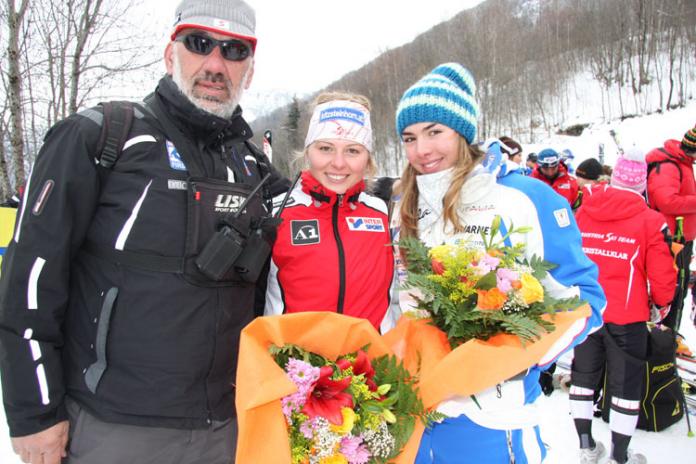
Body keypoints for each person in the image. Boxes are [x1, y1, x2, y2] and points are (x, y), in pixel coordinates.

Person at [0, 1, 289, 463]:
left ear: (249, 70)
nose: (216, 64)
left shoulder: (251, 166)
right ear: (170, 54)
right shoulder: (101, 137)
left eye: (234, 50)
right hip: (115, 429)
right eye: (199, 43)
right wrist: (33, 414)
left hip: (226, 428)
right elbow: (30, 280)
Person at [392, 62, 606, 463]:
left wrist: (515, 357)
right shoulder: (405, 204)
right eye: (409, 137)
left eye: (435, 132)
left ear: (463, 131)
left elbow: (587, 301)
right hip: (416, 413)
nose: (422, 149)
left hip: (493, 418)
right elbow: (398, 301)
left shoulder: (525, 197)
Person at [570, 149, 676, 464]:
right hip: (627, 315)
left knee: (583, 376)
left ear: (614, 178)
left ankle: (587, 447)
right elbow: (662, 274)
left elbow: (572, 257)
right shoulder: (651, 220)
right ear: (642, 185)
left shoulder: (584, 211)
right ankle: (619, 456)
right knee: (625, 384)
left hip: (587, 310)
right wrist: (662, 305)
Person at [264, 92, 398, 333]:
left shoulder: (384, 212)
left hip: (376, 355)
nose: (338, 163)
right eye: (326, 148)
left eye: (352, 151)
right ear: (308, 151)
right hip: (295, 356)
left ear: (368, 159)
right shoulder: (275, 212)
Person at [645, 124, 696, 329]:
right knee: (671, 290)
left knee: (680, 290)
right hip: (672, 239)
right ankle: (663, 334)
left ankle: (670, 333)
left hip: (682, 237)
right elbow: (666, 201)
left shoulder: (683, 163)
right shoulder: (669, 165)